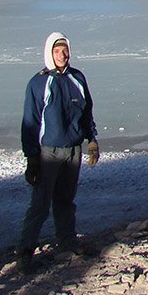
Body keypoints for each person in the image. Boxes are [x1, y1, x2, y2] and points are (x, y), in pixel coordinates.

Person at [16, 31, 99, 273]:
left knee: (65, 201)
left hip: (73, 149)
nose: (62, 55)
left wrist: (91, 139)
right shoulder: (39, 83)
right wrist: (32, 158)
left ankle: (67, 242)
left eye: (65, 50)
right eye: (57, 51)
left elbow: (86, 112)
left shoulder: (77, 78)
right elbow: (30, 122)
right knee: (40, 205)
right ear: (49, 53)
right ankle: (25, 252)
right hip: (48, 152)